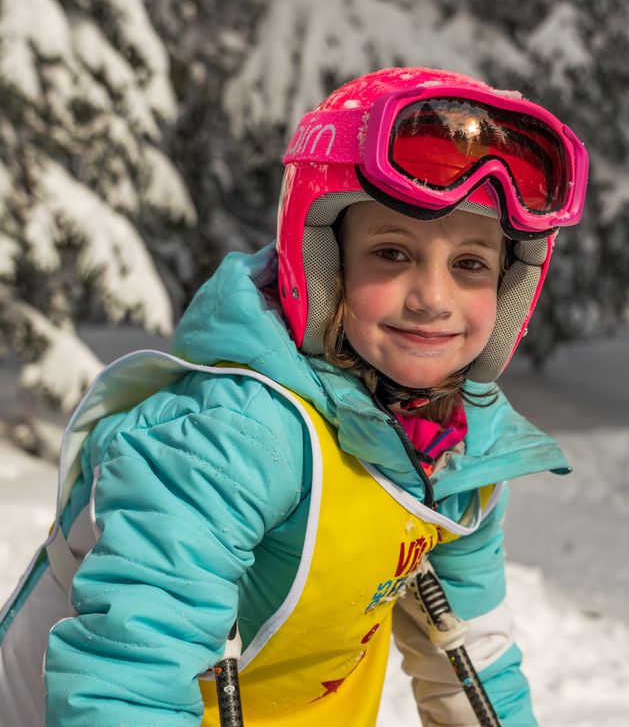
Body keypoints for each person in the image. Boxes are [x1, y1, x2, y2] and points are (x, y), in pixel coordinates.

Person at [0, 66, 588, 726]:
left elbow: (471, 658)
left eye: (471, 265)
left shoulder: (459, 452)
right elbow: (128, 678)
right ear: (325, 267)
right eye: (392, 254)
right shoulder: (237, 435)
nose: (433, 298)